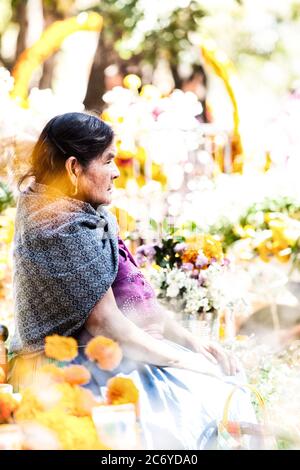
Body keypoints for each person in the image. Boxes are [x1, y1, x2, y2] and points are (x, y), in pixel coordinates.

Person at [9, 112, 256, 449]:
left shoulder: (79, 211)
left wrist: (190, 343)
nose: (116, 171)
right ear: (73, 168)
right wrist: (184, 360)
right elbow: (105, 323)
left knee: (228, 377)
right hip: (78, 368)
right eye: (108, 160)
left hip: (115, 351)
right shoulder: (58, 227)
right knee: (212, 395)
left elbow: (135, 300)